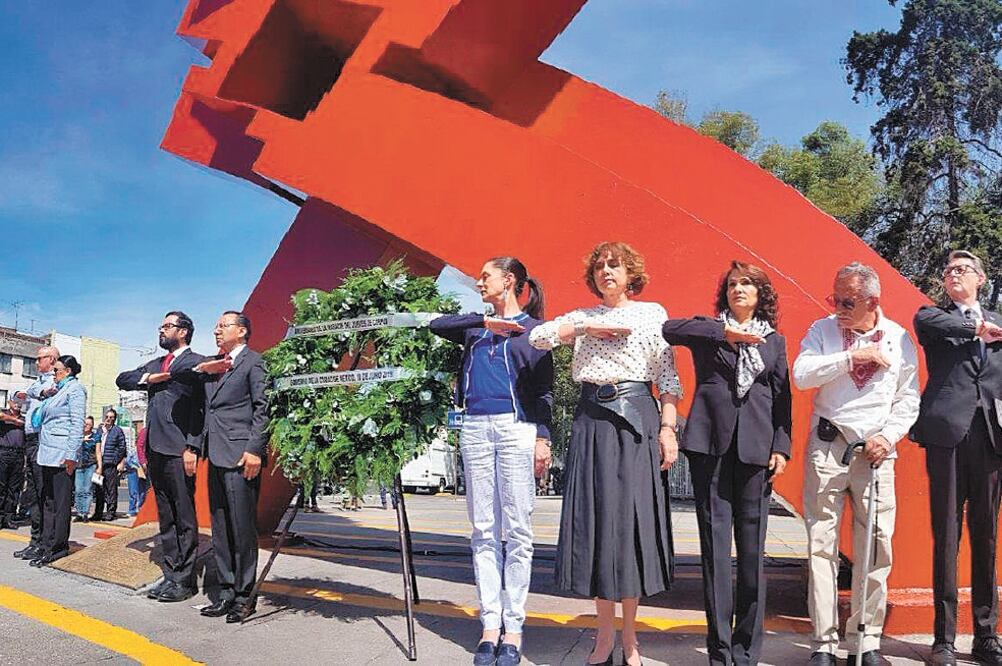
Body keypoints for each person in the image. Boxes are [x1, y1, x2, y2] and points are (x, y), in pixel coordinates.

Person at [529, 242, 679, 666]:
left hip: (637, 418)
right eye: (599, 267)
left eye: (614, 266)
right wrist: (582, 331)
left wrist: (669, 429)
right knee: (597, 525)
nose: (606, 272)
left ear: (631, 273)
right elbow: (538, 337)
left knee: (630, 526)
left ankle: (630, 640)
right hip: (591, 420)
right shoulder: (583, 317)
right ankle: (603, 638)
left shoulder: (652, 313)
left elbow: (668, 375)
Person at [662, 260, 792, 666]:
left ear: (760, 295)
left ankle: (746, 650)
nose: (739, 290)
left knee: (752, 553)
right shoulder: (709, 331)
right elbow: (670, 329)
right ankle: (719, 650)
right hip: (710, 447)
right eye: (733, 284)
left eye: (747, 284)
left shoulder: (774, 342)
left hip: (756, 451)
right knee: (715, 552)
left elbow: (782, 398)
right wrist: (724, 332)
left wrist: (781, 446)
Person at [793, 263, 920, 666]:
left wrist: (889, 437)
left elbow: (908, 398)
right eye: (835, 299)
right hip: (829, 447)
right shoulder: (823, 330)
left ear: (873, 301)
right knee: (820, 546)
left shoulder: (899, 338)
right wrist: (851, 356)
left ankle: (866, 641)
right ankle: (824, 644)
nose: (839, 308)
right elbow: (802, 375)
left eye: (847, 302)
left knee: (876, 547)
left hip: (877, 452)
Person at [430, 256, 554, 666]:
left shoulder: (535, 332)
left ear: (509, 281)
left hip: (517, 428)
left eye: (485, 276)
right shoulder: (473, 328)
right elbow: (435, 324)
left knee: (518, 530)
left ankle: (513, 628)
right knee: (483, 529)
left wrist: (543, 438)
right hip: (475, 428)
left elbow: (544, 391)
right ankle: (489, 625)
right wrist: (485, 324)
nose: (479, 282)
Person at [910, 250, 1002, 666]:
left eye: (962, 270)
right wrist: (976, 328)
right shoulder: (936, 318)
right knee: (947, 536)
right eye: (947, 271)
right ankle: (943, 639)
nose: (952, 275)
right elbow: (931, 323)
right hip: (947, 436)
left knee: (985, 538)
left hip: (990, 439)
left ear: (981, 278)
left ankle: (986, 636)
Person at [171, 311, 269, 623]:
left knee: (242, 528)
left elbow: (263, 408)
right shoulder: (213, 366)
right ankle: (226, 592)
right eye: (215, 326)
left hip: (241, 456)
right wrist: (205, 367)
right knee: (220, 528)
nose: (216, 331)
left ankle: (244, 596)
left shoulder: (254, 362)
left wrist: (255, 449)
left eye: (222, 326)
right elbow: (181, 374)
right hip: (214, 455)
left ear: (241, 331)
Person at [116, 311, 206, 603]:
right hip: (155, 448)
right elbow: (123, 379)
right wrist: (150, 377)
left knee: (183, 516)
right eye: (161, 326)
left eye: (167, 326)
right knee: (165, 516)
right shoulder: (156, 364)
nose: (161, 330)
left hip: (180, 449)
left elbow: (201, 408)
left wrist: (193, 446)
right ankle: (170, 575)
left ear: (184, 331)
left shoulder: (196, 363)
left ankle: (185, 580)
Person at [31, 355, 86, 566]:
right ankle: (45, 545)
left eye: (57, 370)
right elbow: (35, 396)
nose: (54, 374)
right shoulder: (56, 391)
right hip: (47, 452)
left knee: (61, 504)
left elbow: (77, 423)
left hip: (63, 454)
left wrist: (72, 454)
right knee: (48, 501)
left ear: (69, 371)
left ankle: (58, 547)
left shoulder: (75, 390)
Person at [13, 345, 59, 561]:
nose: (36, 362)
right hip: (30, 440)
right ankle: (34, 540)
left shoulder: (56, 380)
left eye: (40, 358)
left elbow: (47, 396)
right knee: (32, 492)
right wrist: (30, 392)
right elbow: (20, 394)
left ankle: (43, 542)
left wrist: (36, 393)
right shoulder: (38, 382)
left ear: (51, 359)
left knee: (42, 492)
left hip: (43, 439)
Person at [92, 408, 127, 521]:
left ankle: (110, 512)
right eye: (107, 417)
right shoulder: (100, 430)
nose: (108, 419)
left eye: (111, 417)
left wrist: (116, 460)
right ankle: (98, 512)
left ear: (114, 419)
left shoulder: (117, 431)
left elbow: (122, 448)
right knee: (98, 489)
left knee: (110, 489)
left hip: (110, 464)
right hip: (99, 464)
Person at [0, 400, 25, 529]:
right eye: (16, 400)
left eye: (21, 401)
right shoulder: (4, 414)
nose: (18, 403)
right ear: (10, 402)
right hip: (4, 453)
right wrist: (14, 421)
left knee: (14, 489)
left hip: (18, 455)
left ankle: (9, 518)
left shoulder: (24, 418)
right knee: (1, 487)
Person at [73, 416, 99, 522]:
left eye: (88, 424)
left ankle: (85, 512)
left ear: (92, 425)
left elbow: (98, 452)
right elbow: (73, 447)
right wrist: (82, 440)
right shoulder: (78, 436)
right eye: (85, 424)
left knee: (87, 489)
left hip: (90, 465)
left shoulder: (95, 437)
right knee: (78, 489)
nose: (86, 426)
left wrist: (99, 467)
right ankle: (79, 512)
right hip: (79, 465)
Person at [125, 426, 149, 517]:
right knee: (133, 490)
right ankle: (132, 509)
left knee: (142, 490)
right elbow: (128, 460)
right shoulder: (133, 450)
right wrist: (138, 464)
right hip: (134, 469)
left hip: (143, 468)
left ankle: (140, 508)